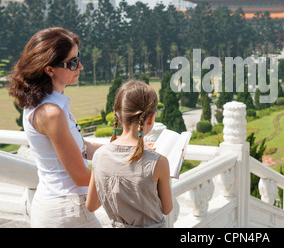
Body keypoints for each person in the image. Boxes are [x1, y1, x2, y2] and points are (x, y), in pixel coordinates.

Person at [8, 27, 103, 227]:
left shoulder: (46, 105)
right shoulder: (51, 113)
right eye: (73, 63)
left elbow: (83, 149)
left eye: (79, 58)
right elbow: (81, 176)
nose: (81, 67)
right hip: (67, 211)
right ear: (49, 69)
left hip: (60, 206)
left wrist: (129, 151)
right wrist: (131, 172)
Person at [86, 81, 173, 228]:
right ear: (151, 118)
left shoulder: (100, 156)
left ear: (117, 117)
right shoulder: (158, 162)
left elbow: (91, 205)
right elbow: (167, 208)